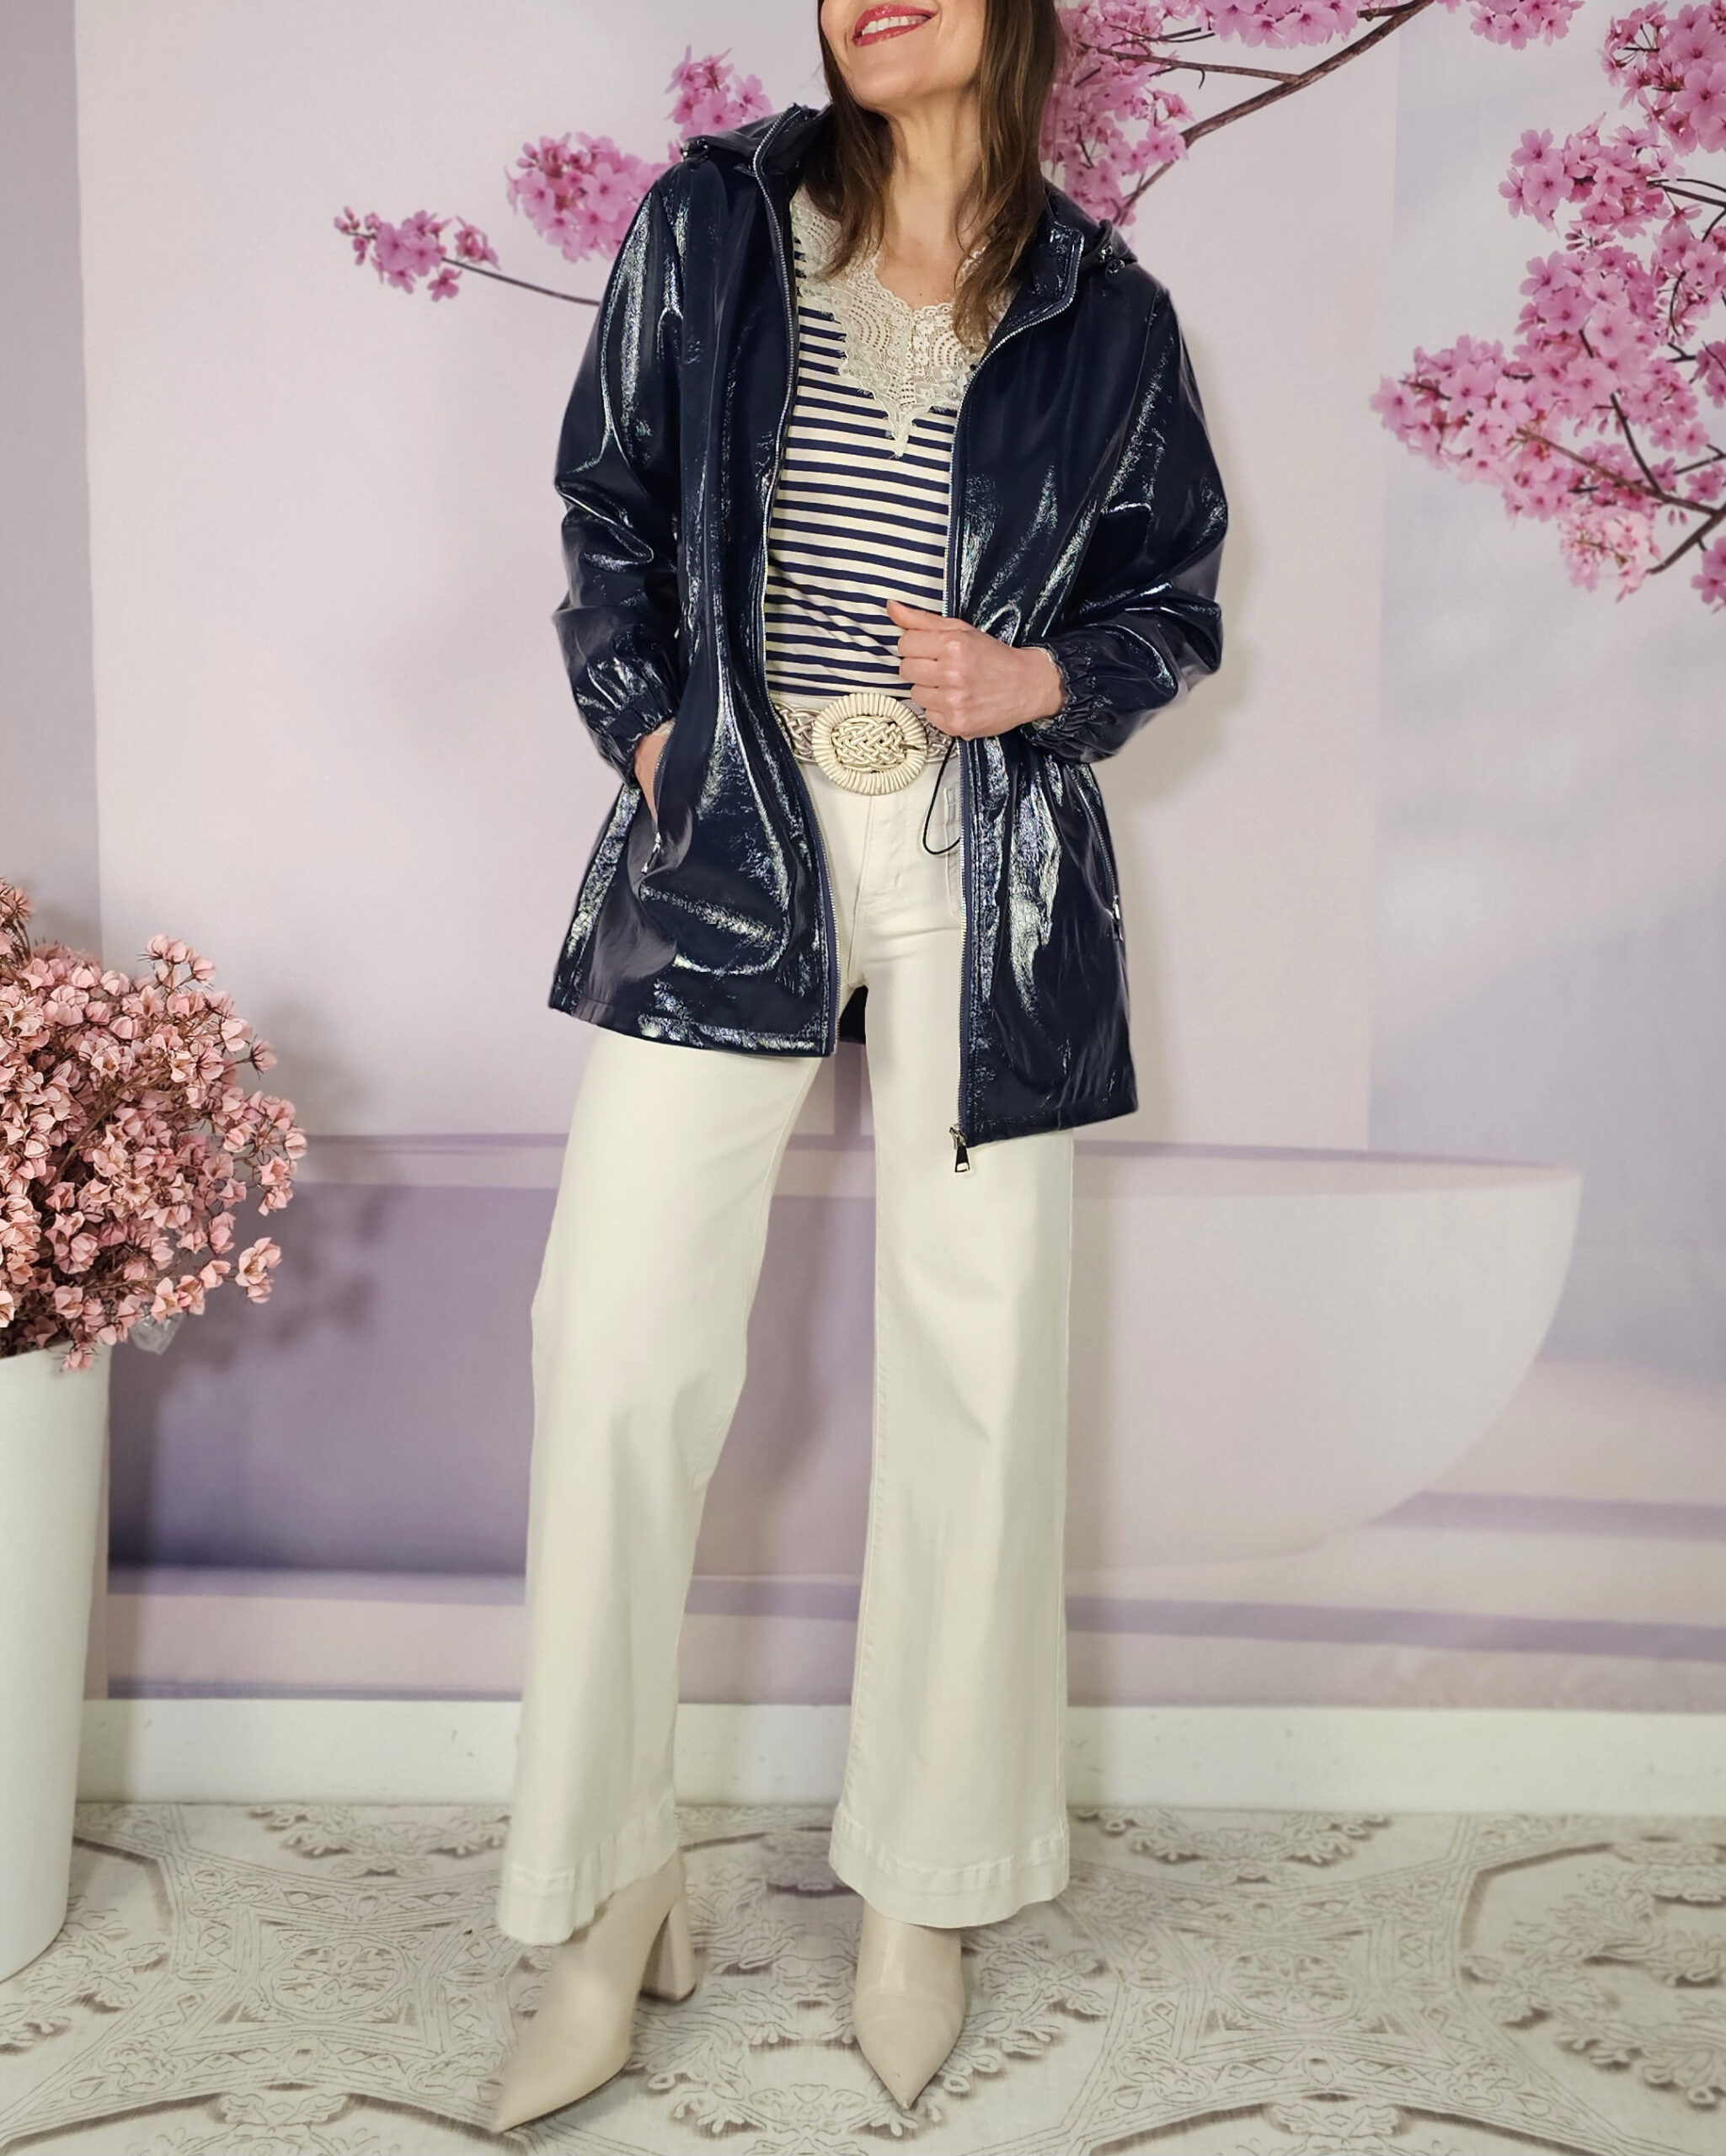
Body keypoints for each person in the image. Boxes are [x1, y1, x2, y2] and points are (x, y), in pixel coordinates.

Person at [489, 0, 1227, 2128]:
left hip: (975, 858)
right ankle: (605, 1890)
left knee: (976, 1364)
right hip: (739, 826)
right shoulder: (713, 223)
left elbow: (1171, 601)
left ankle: (923, 1884)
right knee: (612, 1346)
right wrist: (652, 732)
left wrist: (1041, 677)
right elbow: (609, 499)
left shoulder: (1106, 309)